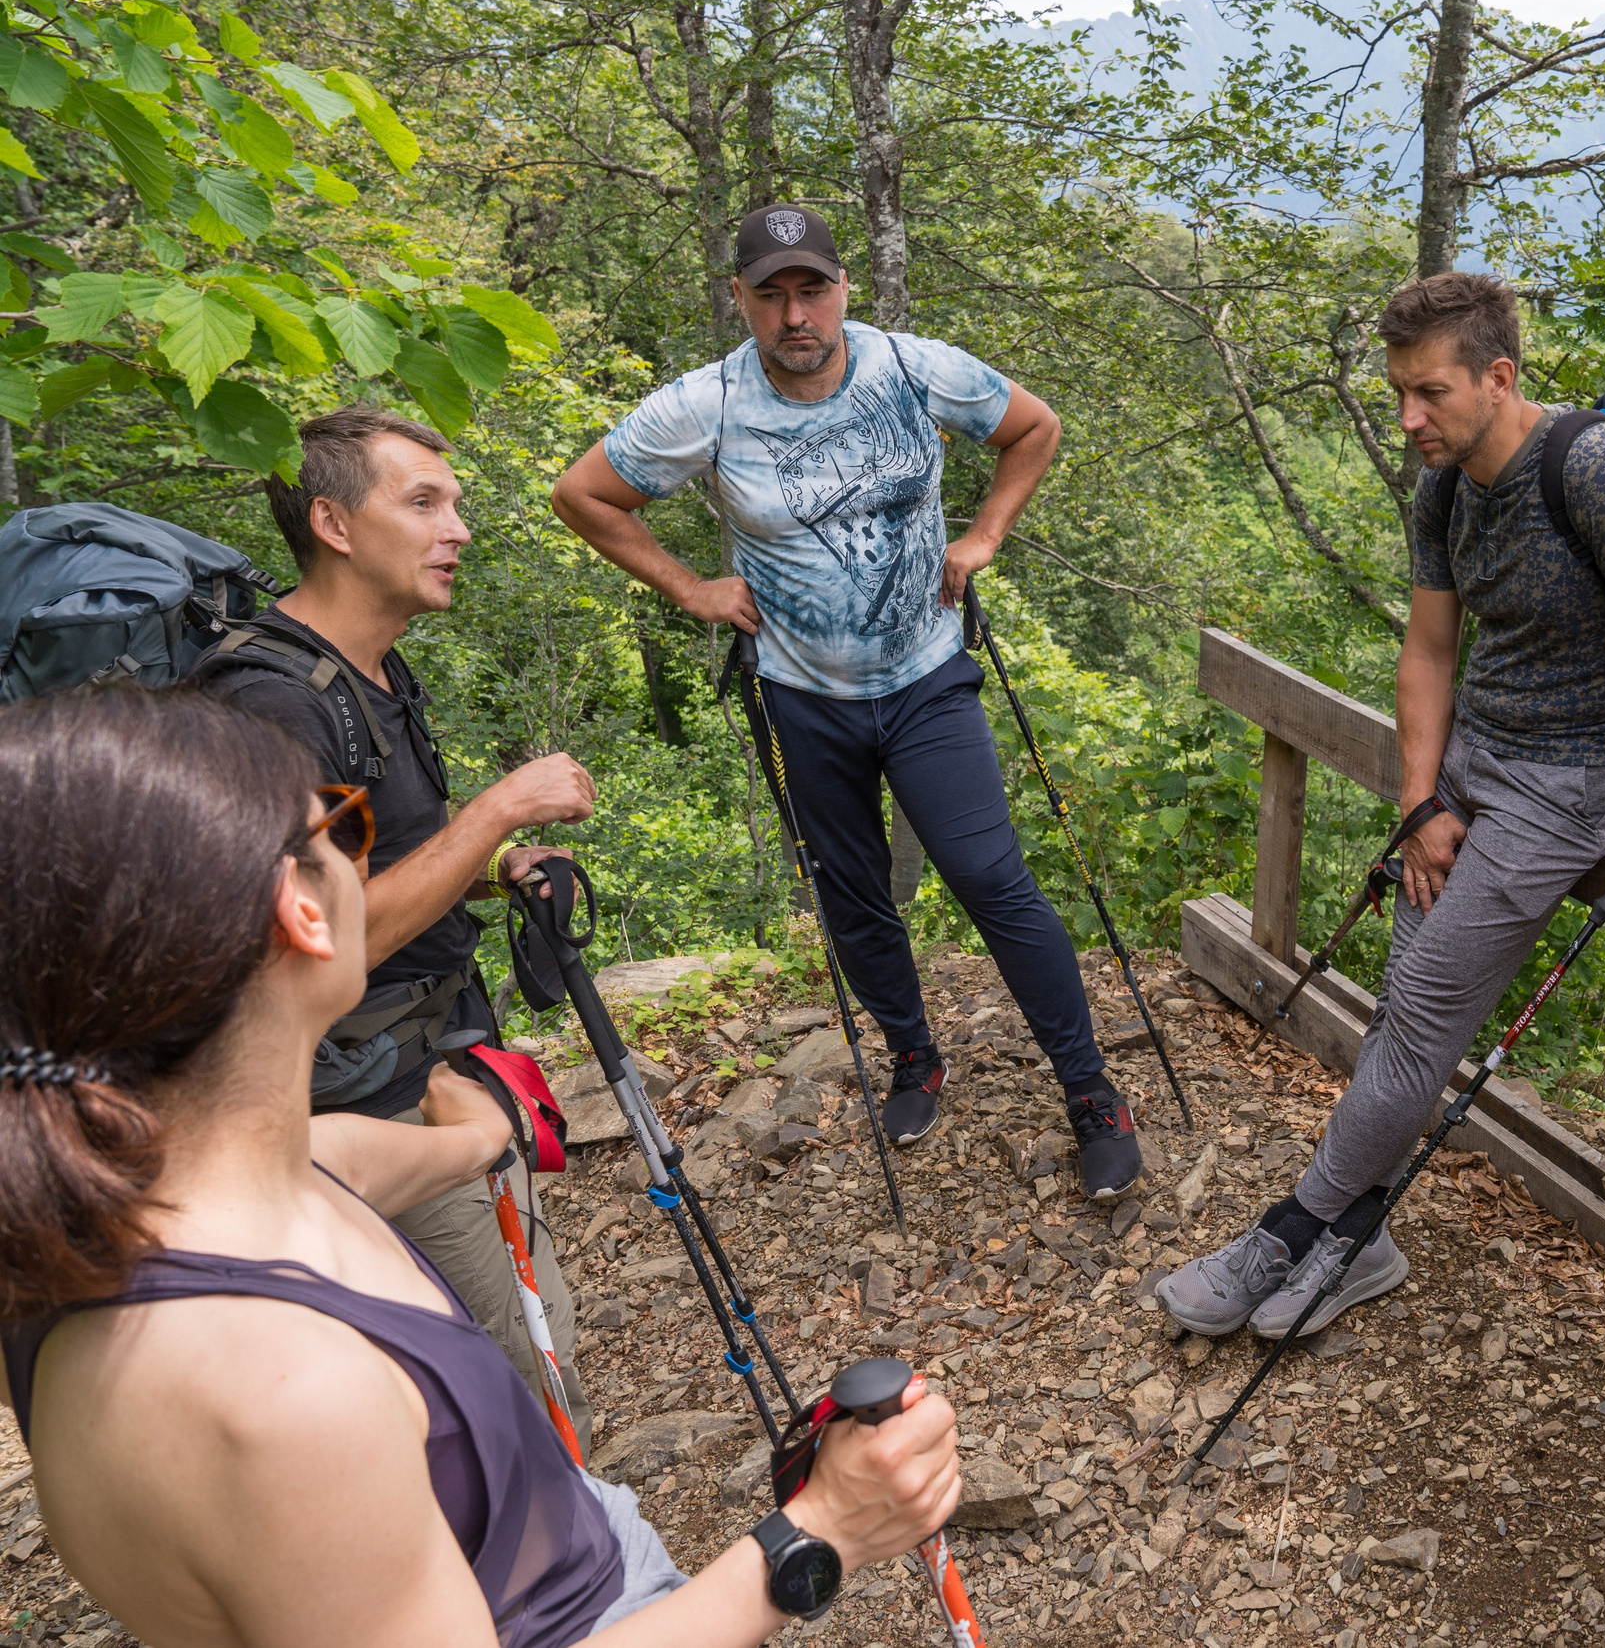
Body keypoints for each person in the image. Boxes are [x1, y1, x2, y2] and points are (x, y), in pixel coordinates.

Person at [0, 684, 962, 1646]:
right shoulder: (284, 1399)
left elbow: (343, 1167)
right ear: (300, 909)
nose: (357, 843)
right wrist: (822, 1529)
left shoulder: (113, 1213)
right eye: (345, 821)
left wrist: (478, 1139)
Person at [1160, 270, 1605, 1341]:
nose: (1407, 419)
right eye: (1397, 392)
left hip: (1575, 781)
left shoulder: (1602, 476)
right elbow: (1429, 652)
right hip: (1475, 760)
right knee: (1406, 1016)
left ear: (1500, 376)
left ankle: (1293, 1230)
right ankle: (1361, 1237)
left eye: (1428, 392)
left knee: (1422, 1009)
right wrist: (1422, 798)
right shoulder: (1445, 488)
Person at [546, 204, 1139, 1199]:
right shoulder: (706, 404)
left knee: (989, 878)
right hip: (797, 695)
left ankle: (1089, 1091)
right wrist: (690, 588)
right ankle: (914, 1056)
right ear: (738, 300)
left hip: (924, 678)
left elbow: (1033, 428)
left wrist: (985, 535)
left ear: (842, 289)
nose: (793, 314)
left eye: (810, 288)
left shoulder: (914, 369)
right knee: (852, 890)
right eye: (769, 294)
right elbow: (583, 495)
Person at [200, 405, 603, 1444]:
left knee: (519, 1344)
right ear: (333, 524)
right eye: (423, 502)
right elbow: (325, 941)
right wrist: (500, 809)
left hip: (441, 1054)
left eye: (455, 503)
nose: (457, 528)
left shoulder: (368, 676)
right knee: (518, 1372)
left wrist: (494, 864)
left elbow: (377, 871)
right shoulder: (279, 704)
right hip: (369, 1101)